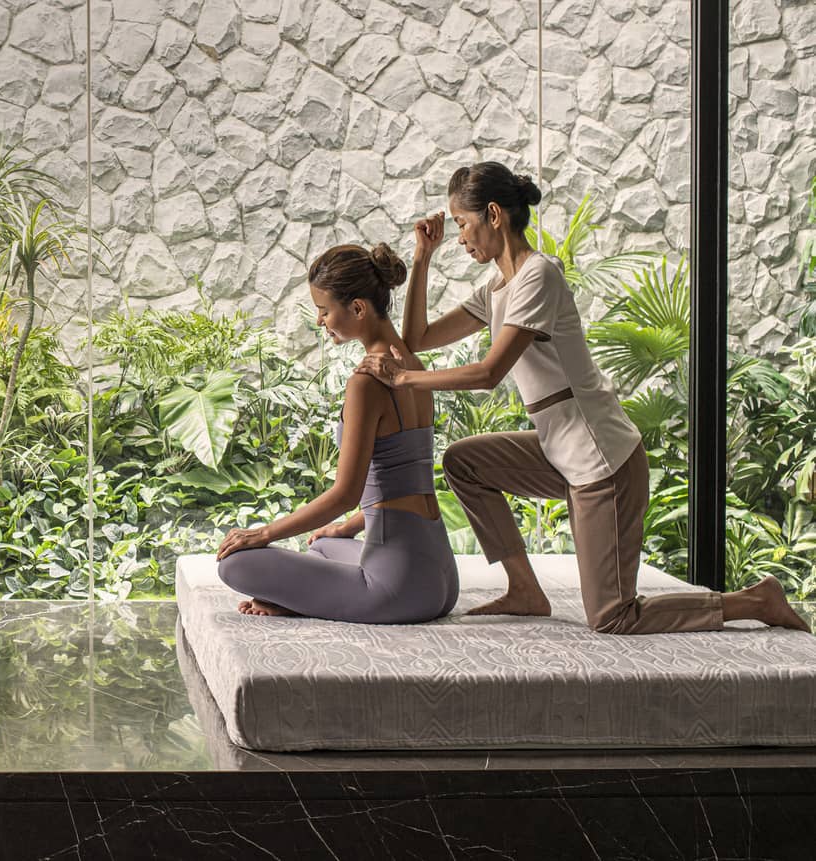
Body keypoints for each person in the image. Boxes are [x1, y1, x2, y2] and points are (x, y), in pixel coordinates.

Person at [357, 161, 808, 634]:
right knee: (463, 462)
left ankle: (756, 600)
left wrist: (403, 379)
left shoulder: (539, 276)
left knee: (613, 616)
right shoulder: (498, 288)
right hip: (559, 451)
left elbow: (490, 373)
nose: (461, 238)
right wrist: (423, 256)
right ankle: (525, 589)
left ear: (493, 215)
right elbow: (417, 338)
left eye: (463, 224)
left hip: (601, 462)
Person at [215, 243, 459, 624]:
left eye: (324, 310)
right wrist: (348, 528)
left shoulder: (367, 382)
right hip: (440, 577)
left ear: (358, 308)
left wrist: (263, 534)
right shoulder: (412, 366)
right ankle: (311, 595)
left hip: (398, 588)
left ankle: (304, 600)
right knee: (325, 543)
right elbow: (406, 486)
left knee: (234, 564)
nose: (320, 321)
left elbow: (345, 494)